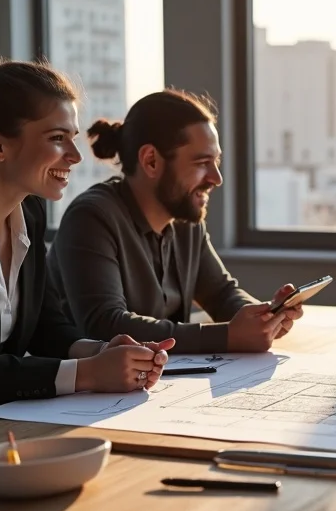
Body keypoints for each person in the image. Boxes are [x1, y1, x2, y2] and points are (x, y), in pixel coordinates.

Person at [0, 47, 172, 419]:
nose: (75, 155)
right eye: (57, 138)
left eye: (72, 137)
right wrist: (87, 374)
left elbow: (45, 326)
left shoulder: (31, 213)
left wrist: (101, 351)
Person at [47, 90, 303, 354]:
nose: (216, 178)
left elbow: (221, 295)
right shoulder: (91, 217)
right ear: (151, 161)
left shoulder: (184, 221)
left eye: (216, 162)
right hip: (88, 389)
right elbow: (105, 325)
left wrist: (265, 317)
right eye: (203, 163)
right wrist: (227, 336)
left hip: (153, 382)